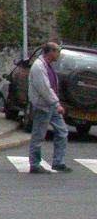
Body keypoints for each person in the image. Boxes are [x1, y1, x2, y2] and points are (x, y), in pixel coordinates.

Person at [27, 41, 71, 173]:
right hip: (43, 105)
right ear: (50, 52)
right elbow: (45, 89)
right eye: (57, 51)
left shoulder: (47, 65)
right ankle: (34, 164)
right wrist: (56, 104)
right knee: (38, 136)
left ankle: (58, 162)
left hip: (50, 105)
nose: (59, 54)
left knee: (62, 131)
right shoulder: (39, 67)